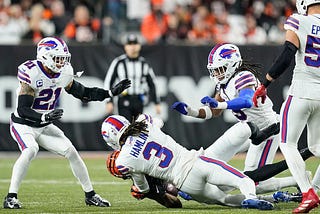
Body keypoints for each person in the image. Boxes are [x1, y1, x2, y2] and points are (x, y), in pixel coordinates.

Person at [3, 37, 131, 209]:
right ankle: (10, 197)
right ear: (45, 56)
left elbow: (83, 93)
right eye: (58, 58)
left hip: (43, 125)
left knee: (71, 152)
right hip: (23, 123)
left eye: (63, 58)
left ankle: (90, 195)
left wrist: (109, 92)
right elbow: (23, 109)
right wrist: (44, 117)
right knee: (30, 150)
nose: (62, 62)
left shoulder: (63, 73)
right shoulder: (32, 72)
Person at [172, 43, 297, 194]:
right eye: (214, 70)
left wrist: (220, 103)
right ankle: (198, 186)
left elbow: (246, 100)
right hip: (247, 129)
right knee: (209, 160)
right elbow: (214, 111)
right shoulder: (223, 84)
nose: (217, 74)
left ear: (232, 64)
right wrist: (191, 111)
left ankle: (297, 180)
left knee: (252, 181)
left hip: (267, 130)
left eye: (220, 69)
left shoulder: (243, 76)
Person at [101, 113, 274, 210]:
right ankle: (251, 196)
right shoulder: (143, 122)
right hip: (195, 162)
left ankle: (248, 201)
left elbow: (144, 189)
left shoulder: (123, 161)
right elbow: (159, 120)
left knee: (224, 201)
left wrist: (140, 188)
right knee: (241, 179)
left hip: (185, 183)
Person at [252, 0, 320, 213]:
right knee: (317, 147)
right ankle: (315, 189)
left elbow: (287, 55)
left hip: (301, 90)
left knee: (287, 144)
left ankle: (308, 193)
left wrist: (265, 84)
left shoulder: (299, 20)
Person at [103, 33, 161, 121]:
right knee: (125, 128)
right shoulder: (119, 62)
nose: (132, 47)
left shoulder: (144, 63)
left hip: (139, 100)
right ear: (125, 47)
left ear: (139, 46)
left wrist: (157, 102)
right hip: (124, 99)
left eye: (135, 44)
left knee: (138, 129)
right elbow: (109, 81)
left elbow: (152, 83)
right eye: (130, 44)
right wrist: (109, 101)